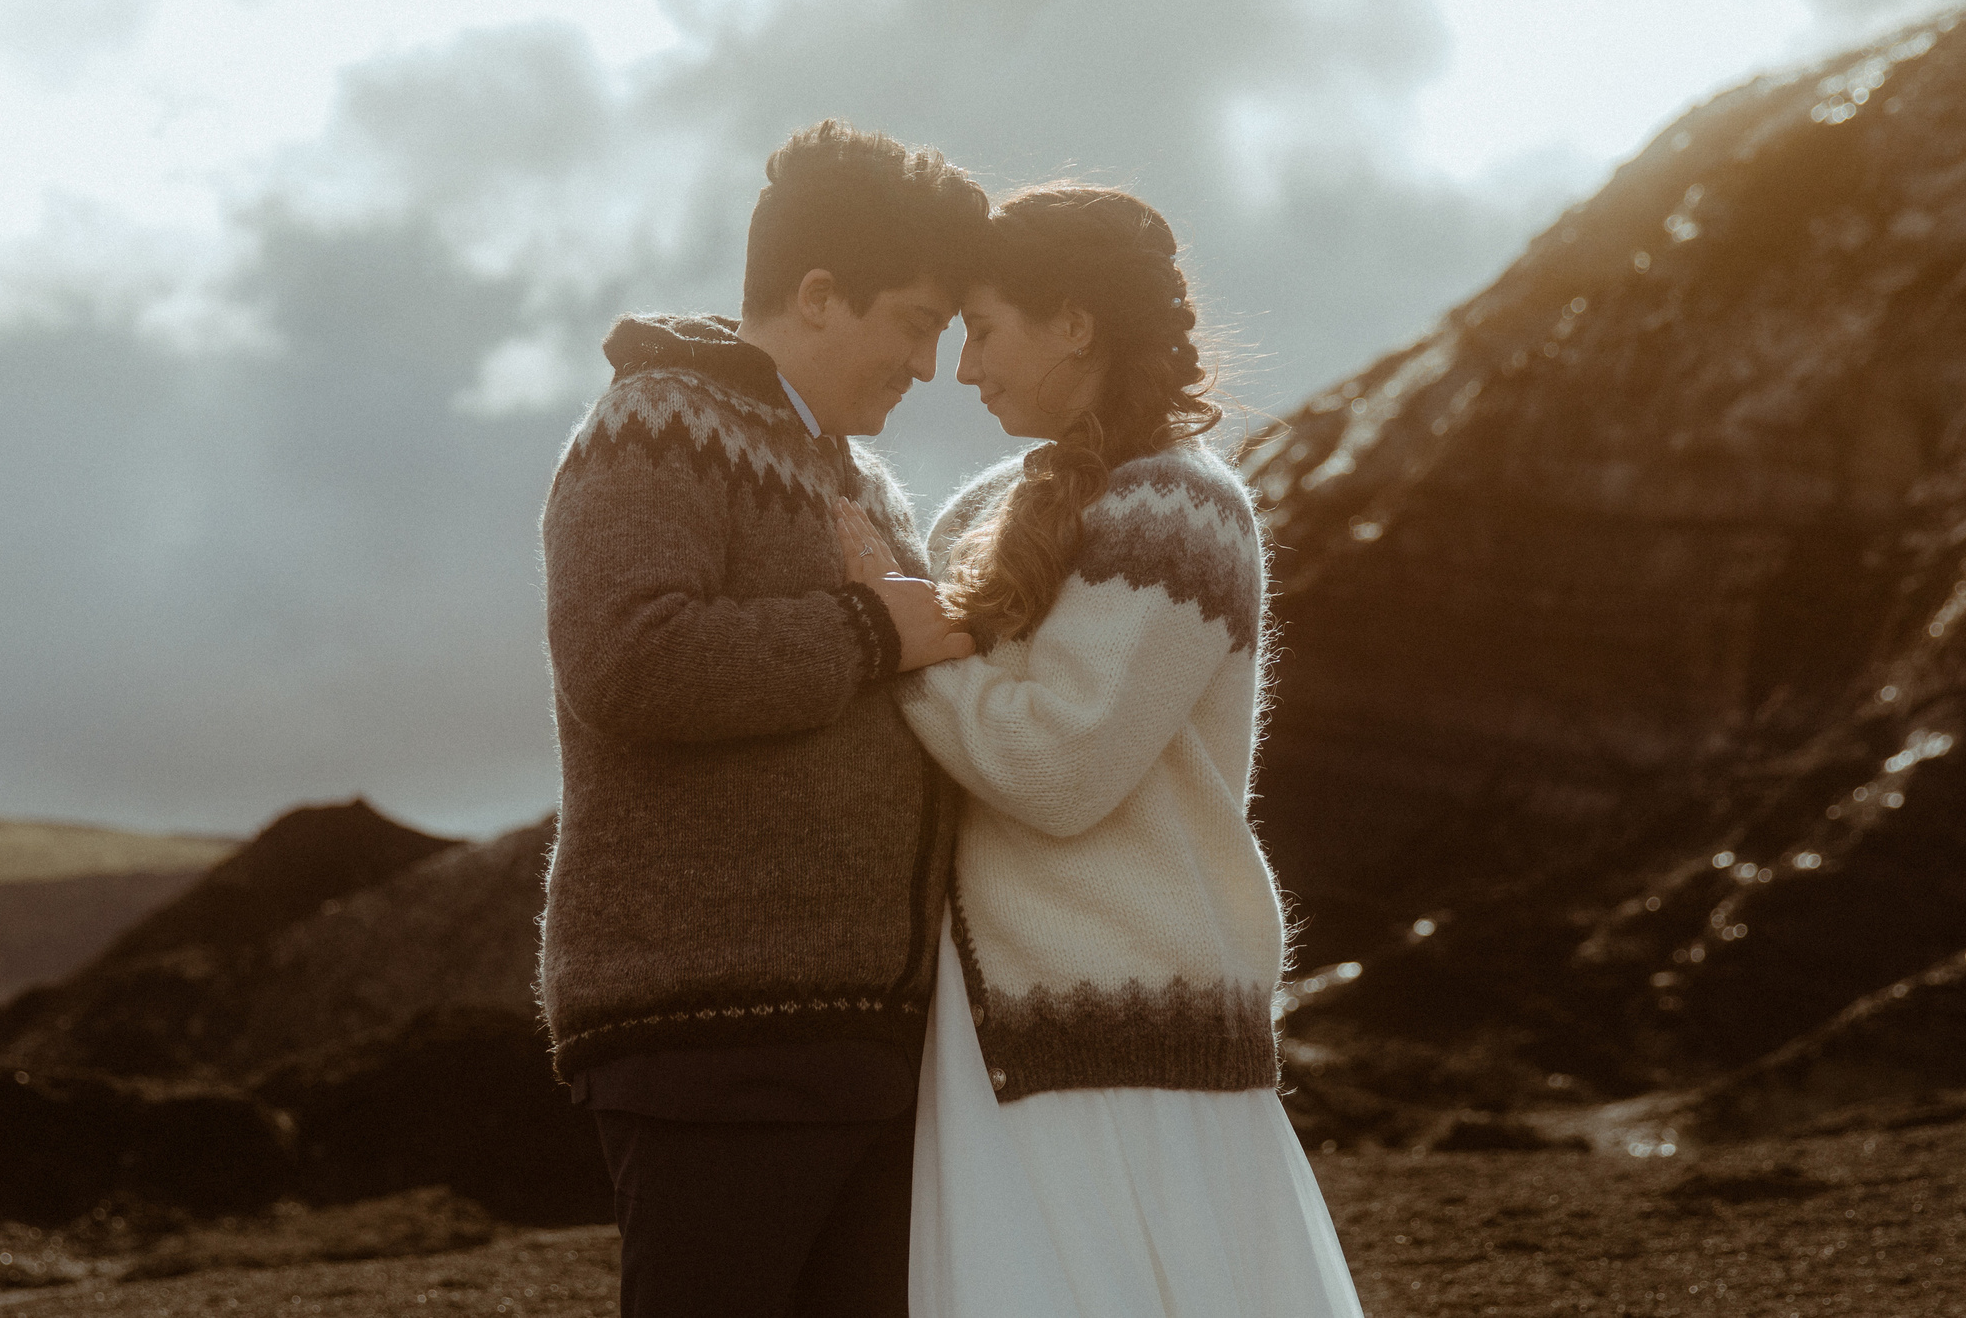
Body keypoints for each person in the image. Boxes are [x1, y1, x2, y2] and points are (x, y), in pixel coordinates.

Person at [835, 184, 1364, 1317]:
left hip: (1125, 1039)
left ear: (1074, 323)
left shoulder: (1180, 511)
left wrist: (898, 634)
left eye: (984, 330)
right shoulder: (993, 504)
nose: (964, 369)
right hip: (1004, 1035)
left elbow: (1055, 766)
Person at [538, 119, 987, 1318]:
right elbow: (629, 662)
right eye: (916, 323)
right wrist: (870, 629)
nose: (929, 364)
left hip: (861, 1044)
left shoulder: (860, 480)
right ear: (821, 295)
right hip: (716, 1038)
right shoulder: (656, 429)